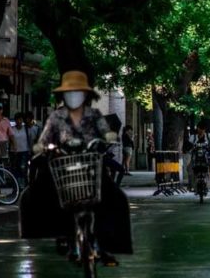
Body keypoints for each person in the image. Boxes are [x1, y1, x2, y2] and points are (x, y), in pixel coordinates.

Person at [21, 70, 132, 265]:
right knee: (37, 193)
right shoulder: (56, 117)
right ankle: (60, 233)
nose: (74, 96)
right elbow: (44, 139)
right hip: (63, 165)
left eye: (78, 92)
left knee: (115, 197)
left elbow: (106, 133)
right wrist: (43, 147)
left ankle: (107, 245)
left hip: (90, 164)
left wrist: (108, 138)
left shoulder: (94, 114)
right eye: (70, 92)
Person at [10, 112, 32, 186]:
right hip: (14, 152)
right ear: (15, 120)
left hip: (24, 151)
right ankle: (16, 185)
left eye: (20, 119)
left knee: (23, 168)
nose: (19, 121)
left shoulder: (26, 128)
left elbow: (30, 139)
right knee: (15, 169)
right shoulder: (12, 129)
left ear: (22, 120)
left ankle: (23, 184)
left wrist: (30, 150)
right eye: (17, 119)